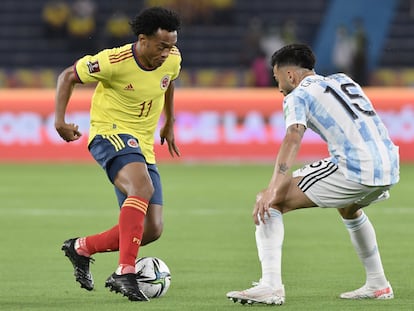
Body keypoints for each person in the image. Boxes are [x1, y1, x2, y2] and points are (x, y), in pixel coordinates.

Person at [226, 44, 399, 305]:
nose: (279, 87)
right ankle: (378, 283)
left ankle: (270, 286)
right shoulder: (343, 80)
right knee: (349, 208)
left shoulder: (297, 96)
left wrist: (274, 187)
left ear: (291, 75)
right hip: (389, 163)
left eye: (277, 79)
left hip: (357, 166)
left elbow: (293, 135)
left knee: (271, 201)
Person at [55, 7, 182, 301]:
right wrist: (60, 121)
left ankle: (81, 247)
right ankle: (125, 272)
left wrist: (170, 121)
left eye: (172, 45)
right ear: (143, 40)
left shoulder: (172, 59)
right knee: (142, 187)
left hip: (143, 144)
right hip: (109, 132)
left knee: (152, 229)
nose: (167, 52)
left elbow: (169, 81)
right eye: (162, 46)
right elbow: (67, 76)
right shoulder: (114, 61)